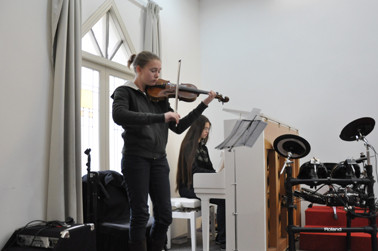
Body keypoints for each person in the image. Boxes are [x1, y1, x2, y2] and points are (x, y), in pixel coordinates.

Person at [111, 51, 216, 251]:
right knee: (140, 214)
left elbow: (177, 126)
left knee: (165, 216)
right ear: (139, 69)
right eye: (153, 70)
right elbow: (119, 115)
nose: (157, 75)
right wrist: (160, 117)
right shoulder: (124, 92)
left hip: (159, 160)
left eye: (159, 71)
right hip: (136, 159)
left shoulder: (158, 97)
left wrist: (203, 105)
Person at [176, 115, 226, 249]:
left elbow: (208, 169)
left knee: (226, 198)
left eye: (208, 129)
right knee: (223, 200)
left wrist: (217, 173)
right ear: (197, 128)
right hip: (188, 188)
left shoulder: (203, 148)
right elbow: (195, 170)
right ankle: (223, 239)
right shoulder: (188, 146)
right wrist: (214, 174)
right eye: (205, 128)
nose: (207, 132)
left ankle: (223, 236)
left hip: (201, 186)